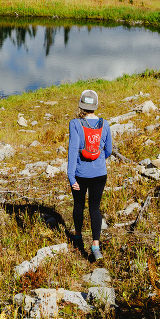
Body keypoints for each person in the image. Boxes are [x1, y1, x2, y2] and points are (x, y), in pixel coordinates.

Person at [66, 89, 113, 261]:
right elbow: (108, 150)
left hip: (80, 174)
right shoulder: (105, 124)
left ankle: (78, 237)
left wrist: (71, 176)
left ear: (81, 105)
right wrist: (98, 160)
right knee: (95, 208)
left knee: (79, 205)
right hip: (100, 174)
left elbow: (72, 150)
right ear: (95, 105)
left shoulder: (75, 124)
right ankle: (95, 246)